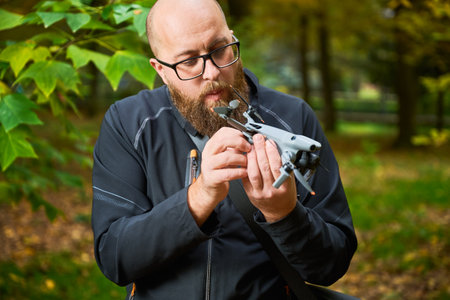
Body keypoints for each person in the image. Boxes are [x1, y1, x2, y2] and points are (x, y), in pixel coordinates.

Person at [91, 0, 357, 299]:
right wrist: (200, 196)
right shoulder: (129, 123)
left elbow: (332, 265)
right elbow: (114, 259)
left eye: (219, 50)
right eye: (188, 61)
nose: (212, 73)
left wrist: (284, 215)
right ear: (161, 70)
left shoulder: (293, 117)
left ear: (232, 39)